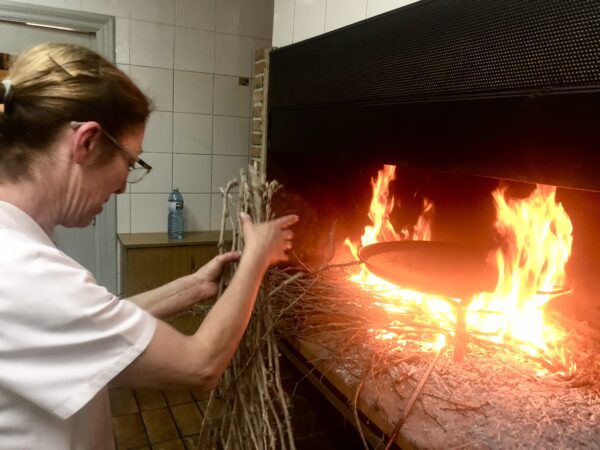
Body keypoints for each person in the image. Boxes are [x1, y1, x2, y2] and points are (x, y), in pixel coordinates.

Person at [0, 42, 298, 449]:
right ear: (86, 142)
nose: (123, 185)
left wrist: (192, 287)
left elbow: (95, 326)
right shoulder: (22, 271)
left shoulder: (16, 246)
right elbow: (201, 365)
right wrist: (258, 256)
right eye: (130, 161)